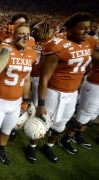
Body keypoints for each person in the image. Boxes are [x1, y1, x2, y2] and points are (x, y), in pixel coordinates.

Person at [32, 12, 99, 163]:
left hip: (73, 92)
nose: (87, 31)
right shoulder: (57, 45)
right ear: (69, 29)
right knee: (42, 122)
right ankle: (32, 146)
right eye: (82, 28)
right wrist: (41, 104)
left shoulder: (90, 42)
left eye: (88, 28)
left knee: (61, 123)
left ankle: (48, 145)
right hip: (54, 91)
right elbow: (44, 77)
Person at [0, 23, 37, 170]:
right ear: (14, 35)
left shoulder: (31, 53)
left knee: (7, 130)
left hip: (16, 101)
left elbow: (27, 80)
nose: (24, 37)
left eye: (27, 34)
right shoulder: (5, 48)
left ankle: (1, 150)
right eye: (20, 33)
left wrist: (25, 99)